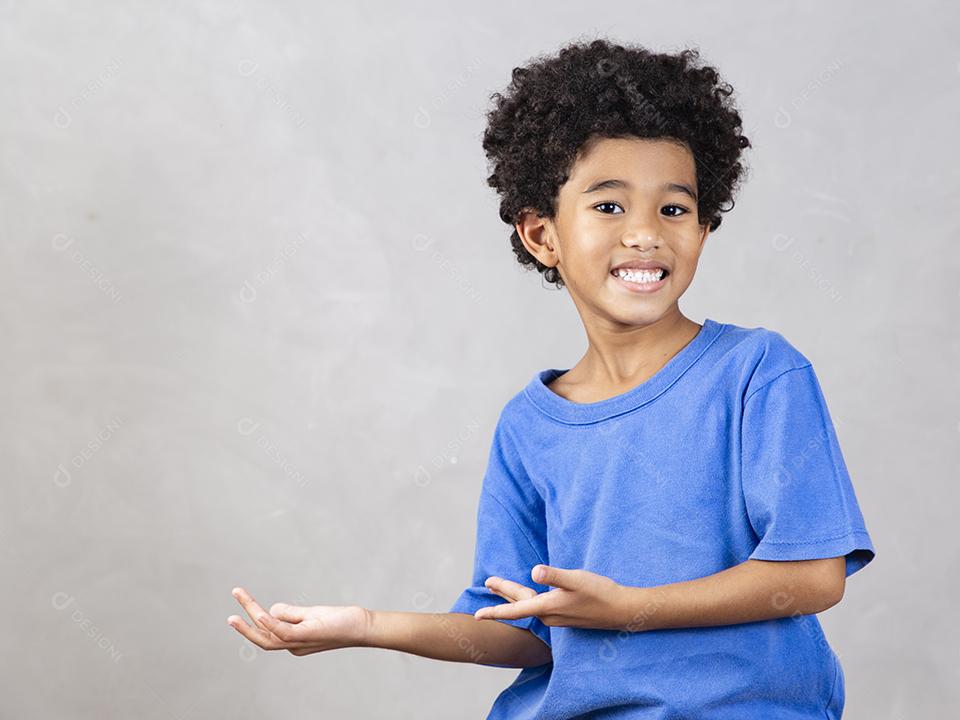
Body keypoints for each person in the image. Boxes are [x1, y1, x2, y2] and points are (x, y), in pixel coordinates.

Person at [227, 37, 875, 719]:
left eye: (674, 209)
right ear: (542, 236)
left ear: (705, 226)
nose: (645, 234)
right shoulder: (528, 425)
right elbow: (523, 634)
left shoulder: (758, 374)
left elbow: (811, 574)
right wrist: (365, 626)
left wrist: (631, 610)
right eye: (608, 206)